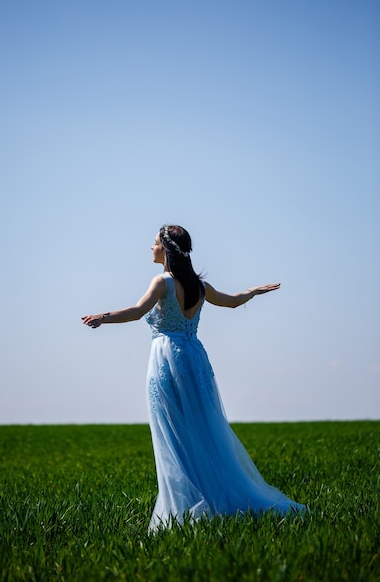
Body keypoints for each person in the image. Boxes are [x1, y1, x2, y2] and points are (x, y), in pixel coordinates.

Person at [82, 225, 306, 531]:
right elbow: (232, 300)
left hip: (166, 359)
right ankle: (209, 500)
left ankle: (185, 509)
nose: (151, 247)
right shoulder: (200, 286)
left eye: (155, 243)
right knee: (202, 430)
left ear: (167, 249)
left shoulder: (162, 282)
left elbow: (137, 311)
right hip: (194, 359)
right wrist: (253, 292)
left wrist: (103, 317)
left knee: (174, 436)